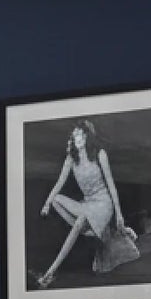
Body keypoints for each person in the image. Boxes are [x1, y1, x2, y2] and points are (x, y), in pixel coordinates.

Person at [33, 121, 140, 288]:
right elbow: (60, 182)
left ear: (88, 137)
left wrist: (119, 214)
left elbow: (111, 185)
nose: (78, 138)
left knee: (80, 220)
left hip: (103, 204)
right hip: (88, 203)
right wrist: (46, 204)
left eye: (82, 135)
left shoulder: (99, 154)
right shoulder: (71, 158)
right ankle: (104, 232)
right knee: (56, 200)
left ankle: (49, 274)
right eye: (75, 135)